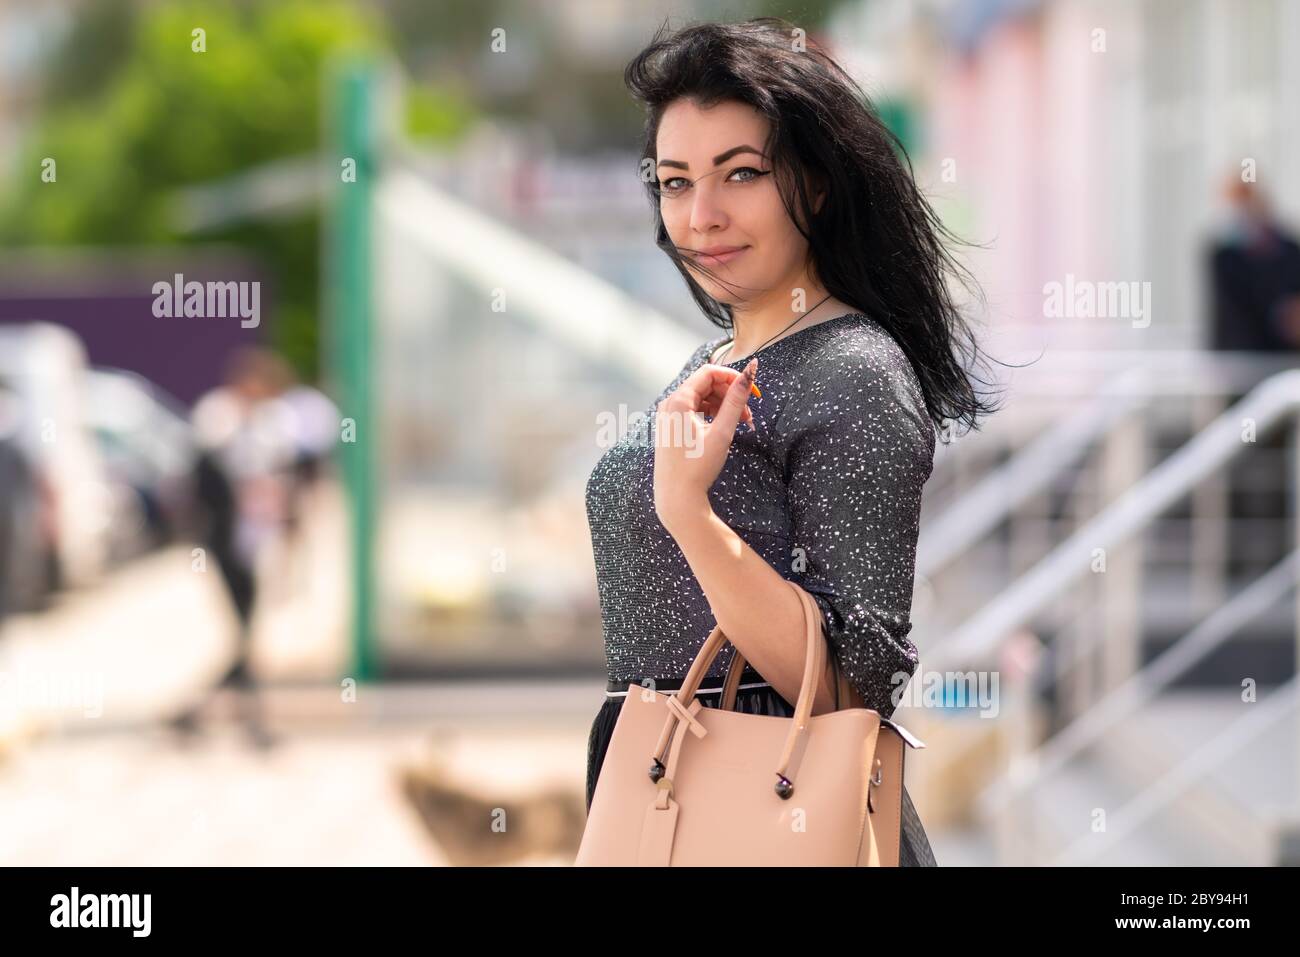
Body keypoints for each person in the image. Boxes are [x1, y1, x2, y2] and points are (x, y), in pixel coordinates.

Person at [582, 18, 1003, 866]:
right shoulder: (716, 359)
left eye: (741, 174)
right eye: (674, 182)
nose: (700, 216)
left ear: (814, 183)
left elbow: (854, 685)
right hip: (664, 785)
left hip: (772, 806)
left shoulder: (854, 370)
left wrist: (688, 515)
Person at [169, 347, 298, 749]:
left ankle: (197, 713)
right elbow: (209, 479)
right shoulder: (219, 419)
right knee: (243, 633)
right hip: (225, 542)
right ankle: (249, 723)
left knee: (244, 636)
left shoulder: (262, 425)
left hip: (250, 542)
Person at [1207, 176, 1300, 352]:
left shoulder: (1289, 248)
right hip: (1237, 355)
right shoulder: (1223, 255)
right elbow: (1231, 312)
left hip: (1282, 354)